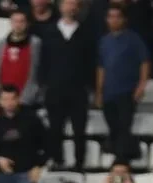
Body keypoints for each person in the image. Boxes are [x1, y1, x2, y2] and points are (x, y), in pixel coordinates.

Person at [40, 0, 95, 171]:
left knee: (79, 129)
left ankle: (79, 163)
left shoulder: (86, 33)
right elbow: (43, 61)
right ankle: (57, 161)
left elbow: (91, 63)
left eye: (74, 4)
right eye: (67, 4)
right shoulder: (49, 32)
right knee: (55, 128)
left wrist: (91, 88)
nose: (71, 8)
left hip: (78, 90)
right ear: (60, 6)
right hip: (55, 89)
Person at [97, 5, 150, 161]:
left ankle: (121, 160)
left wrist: (142, 84)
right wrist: (99, 91)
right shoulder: (104, 41)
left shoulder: (133, 39)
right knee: (113, 126)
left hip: (127, 91)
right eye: (110, 17)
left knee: (123, 126)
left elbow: (145, 62)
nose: (114, 20)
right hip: (108, 92)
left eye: (117, 17)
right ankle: (127, 154)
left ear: (124, 19)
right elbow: (101, 67)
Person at [0, 10, 42, 107]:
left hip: (26, 98)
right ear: (10, 23)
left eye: (21, 21)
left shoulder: (35, 44)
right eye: (15, 21)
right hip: (3, 98)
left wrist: (27, 97)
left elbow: (36, 72)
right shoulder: (1, 44)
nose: (18, 25)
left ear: (27, 23)